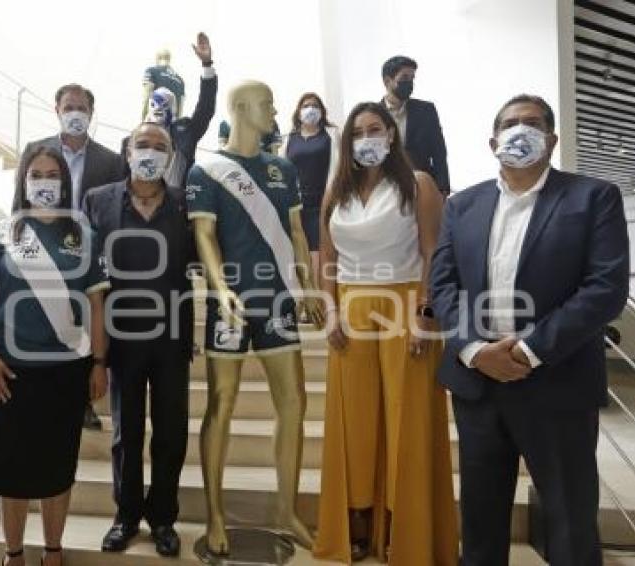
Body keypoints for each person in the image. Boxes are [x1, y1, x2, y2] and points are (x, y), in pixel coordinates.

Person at [430, 94, 629, 566]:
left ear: (552, 139)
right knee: (480, 519)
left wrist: (528, 350)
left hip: (557, 381)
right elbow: (443, 285)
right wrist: (476, 350)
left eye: (533, 123)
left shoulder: (592, 197)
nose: (521, 131)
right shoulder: (463, 205)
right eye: (511, 124)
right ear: (493, 141)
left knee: (568, 518)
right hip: (478, 384)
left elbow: (605, 289)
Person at [312, 102, 458, 564]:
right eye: (358, 132)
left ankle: (403, 528)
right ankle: (356, 521)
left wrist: (424, 314)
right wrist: (331, 311)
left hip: (405, 304)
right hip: (351, 309)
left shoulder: (419, 184)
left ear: (391, 135)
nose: (367, 138)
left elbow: (434, 252)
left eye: (375, 129)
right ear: (347, 142)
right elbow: (327, 261)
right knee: (353, 421)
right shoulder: (336, 190)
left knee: (407, 417)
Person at [187, 80, 323, 555]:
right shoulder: (207, 171)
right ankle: (215, 515)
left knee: (295, 403)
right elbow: (204, 235)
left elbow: (296, 232)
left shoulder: (282, 167)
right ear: (242, 109)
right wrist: (219, 288)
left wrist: (308, 285)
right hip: (231, 303)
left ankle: (286, 511)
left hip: (278, 300)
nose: (274, 110)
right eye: (267, 103)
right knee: (221, 403)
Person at [0, 146, 110, 566]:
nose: (45, 181)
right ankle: (13, 553)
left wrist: (100, 363)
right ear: (24, 181)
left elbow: (97, 307)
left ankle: (53, 550)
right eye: (37, 174)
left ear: (65, 183)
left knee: (57, 468)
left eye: (54, 174)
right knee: (10, 470)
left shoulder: (84, 235)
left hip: (65, 374)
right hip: (7, 372)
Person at [84, 123, 195, 557]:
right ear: (127, 151)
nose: (150, 151)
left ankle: (163, 517)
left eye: (160, 146)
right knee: (126, 433)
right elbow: (86, 271)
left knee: (170, 430)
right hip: (121, 337)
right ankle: (126, 515)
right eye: (142, 145)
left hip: (170, 335)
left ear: (171, 156)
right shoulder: (98, 200)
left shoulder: (186, 203)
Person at [17, 82, 123, 430]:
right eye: (68, 107)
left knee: (82, 326)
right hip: (42, 247)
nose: (74, 113)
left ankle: (83, 403)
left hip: (85, 254)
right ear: (57, 110)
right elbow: (20, 201)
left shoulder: (110, 160)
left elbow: (113, 211)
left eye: (81, 108)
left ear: (91, 114)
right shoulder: (36, 150)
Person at [122, 32, 217, 188]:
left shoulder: (185, 133)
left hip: (174, 206)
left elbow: (205, 109)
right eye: (156, 104)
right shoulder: (130, 141)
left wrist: (207, 65)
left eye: (165, 104)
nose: (159, 109)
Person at [279, 92, 340, 284]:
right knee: (297, 253)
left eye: (315, 105)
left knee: (318, 256)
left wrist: (331, 199)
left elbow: (338, 167)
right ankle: (304, 301)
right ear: (298, 112)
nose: (310, 109)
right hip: (296, 206)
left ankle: (320, 302)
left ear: (322, 111)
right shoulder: (289, 138)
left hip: (321, 204)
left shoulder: (331, 134)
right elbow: (283, 170)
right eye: (305, 105)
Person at [380, 55, 450, 196]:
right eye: (404, 77)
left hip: (423, 186)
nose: (410, 83)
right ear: (388, 81)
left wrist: (443, 187)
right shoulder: (374, 114)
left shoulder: (426, 110)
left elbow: (439, 151)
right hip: (386, 188)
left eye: (412, 78)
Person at [141, 48, 185, 120]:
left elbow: (146, 97)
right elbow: (180, 110)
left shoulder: (151, 71)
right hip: (169, 125)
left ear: (157, 58)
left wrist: (143, 120)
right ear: (169, 59)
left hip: (155, 122)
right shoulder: (180, 81)